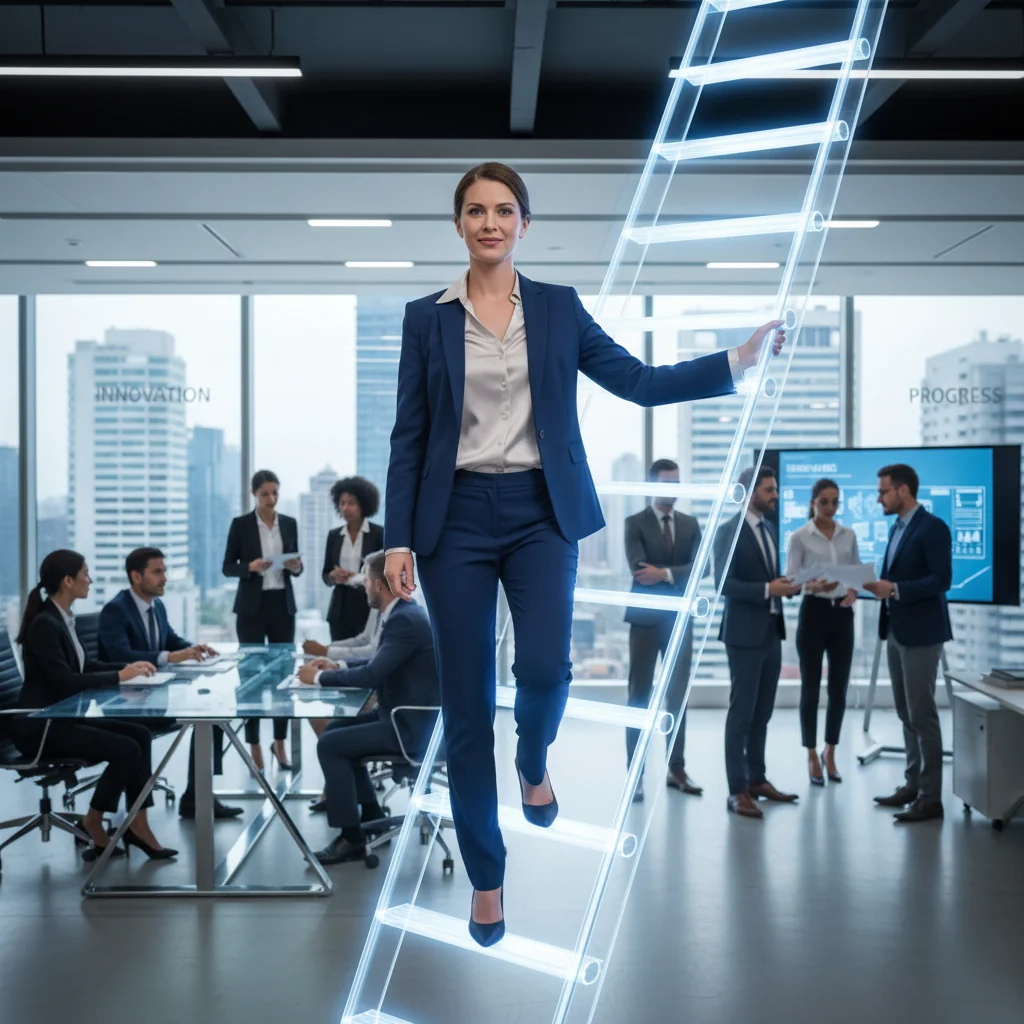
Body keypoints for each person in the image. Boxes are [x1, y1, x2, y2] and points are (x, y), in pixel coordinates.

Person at [382, 161, 787, 944]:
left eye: (505, 210)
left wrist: (734, 363)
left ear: (524, 224)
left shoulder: (560, 310)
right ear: (459, 225)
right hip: (452, 519)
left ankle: (533, 759)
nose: (490, 222)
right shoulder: (424, 318)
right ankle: (487, 878)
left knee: (542, 670)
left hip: (542, 512)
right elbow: (408, 436)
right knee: (464, 706)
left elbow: (636, 381)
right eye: (476, 211)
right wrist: (397, 537)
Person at [13, 550, 177, 861]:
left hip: (63, 719)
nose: (90, 580)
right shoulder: (45, 625)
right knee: (126, 749)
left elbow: (86, 665)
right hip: (41, 727)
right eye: (86, 574)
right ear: (68, 580)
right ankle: (93, 820)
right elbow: (64, 680)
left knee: (139, 734)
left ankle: (138, 823)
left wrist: (131, 667)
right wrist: (119, 676)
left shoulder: (62, 618)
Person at [298, 552, 440, 866]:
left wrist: (320, 677)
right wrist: (338, 663)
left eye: (365, 583)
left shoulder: (403, 620)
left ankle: (351, 837)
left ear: (378, 584)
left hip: (409, 728)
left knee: (331, 744)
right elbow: (377, 662)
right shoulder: (404, 614)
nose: (364, 589)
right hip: (401, 716)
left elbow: (373, 675)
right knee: (336, 730)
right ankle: (372, 813)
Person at [98, 546, 243, 820]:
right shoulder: (116, 611)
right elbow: (121, 657)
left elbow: (171, 640)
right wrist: (171, 656)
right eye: (157, 572)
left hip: (153, 697)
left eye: (164, 572)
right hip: (124, 704)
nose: (164, 578)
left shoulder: (157, 606)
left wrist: (194, 649)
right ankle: (141, 814)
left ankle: (196, 797)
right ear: (136, 576)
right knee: (202, 717)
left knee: (212, 716)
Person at [864, 463, 952, 824]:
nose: (879, 498)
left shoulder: (933, 528)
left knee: (922, 714)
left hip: (922, 633)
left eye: (884, 491)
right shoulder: (897, 529)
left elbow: (941, 579)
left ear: (903, 490)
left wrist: (896, 589)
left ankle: (931, 798)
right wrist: (876, 585)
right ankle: (912, 784)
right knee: (905, 713)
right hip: (897, 630)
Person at [714, 466, 801, 820]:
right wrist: (769, 589)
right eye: (769, 490)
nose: (775, 496)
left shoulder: (769, 529)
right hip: (743, 635)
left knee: (762, 713)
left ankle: (757, 779)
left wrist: (785, 586)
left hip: (771, 631)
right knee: (741, 715)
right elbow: (723, 584)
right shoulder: (727, 532)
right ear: (749, 494)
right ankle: (737, 791)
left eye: (775, 489)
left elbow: (768, 579)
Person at [624, 457, 703, 801]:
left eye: (676, 482)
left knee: (677, 698)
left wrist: (665, 574)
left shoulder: (690, 524)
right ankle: (636, 775)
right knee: (638, 698)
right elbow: (638, 569)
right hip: (644, 621)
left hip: (679, 621)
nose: (672, 489)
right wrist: (675, 572)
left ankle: (677, 768)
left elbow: (701, 568)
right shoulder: (634, 522)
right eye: (666, 482)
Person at [223, 469, 303, 773]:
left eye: (275, 493)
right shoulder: (241, 525)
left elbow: (297, 566)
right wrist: (251, 567)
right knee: (251, 679)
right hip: (251, 608)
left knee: (284, 675)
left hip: (282, 604)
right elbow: (228, 567)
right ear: (254, 494)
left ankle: (279, 743)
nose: (271, 499)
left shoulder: (289, 523)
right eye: (265, 493)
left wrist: (295, 566)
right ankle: (254, 745)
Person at [785, 479, 859, 786]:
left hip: (842, 613)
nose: (830, 507)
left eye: (835, 502)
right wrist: (811, 584)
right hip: (813, 612)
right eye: (824, 501)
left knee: (838, 688)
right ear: (813, 502)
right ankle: (811, 753)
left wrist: (853, 590)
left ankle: (831, 751)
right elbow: (791, 579)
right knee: (811, 690)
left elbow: (854, 573)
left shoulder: (848, 535)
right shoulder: (800, 536)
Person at [323, 477, 385, 642]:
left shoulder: (378, 534)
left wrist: (355, 577)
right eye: (342, 503)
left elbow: (383, 574)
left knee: (366, 658)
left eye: (351, 503)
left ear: (363, 505)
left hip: (368, 607)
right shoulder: (334, 536)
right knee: (338, 658)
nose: (345, 508)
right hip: (339, 610)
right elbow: (325, 574)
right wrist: (333, 577)